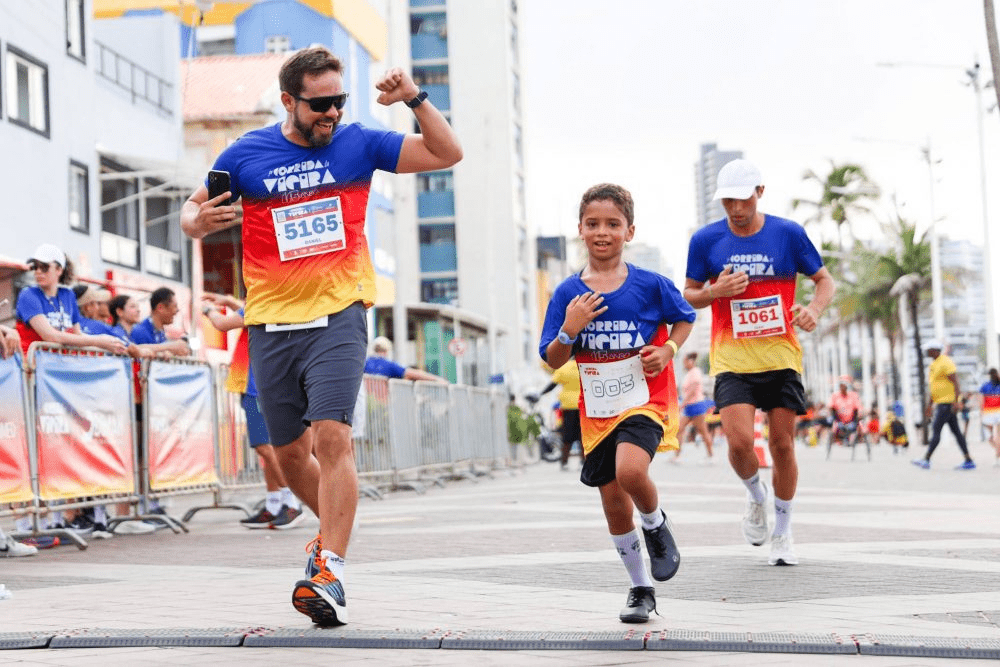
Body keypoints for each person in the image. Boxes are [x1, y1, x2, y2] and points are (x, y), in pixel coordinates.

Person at [180, 46, 461, 627]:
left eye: (339, 99)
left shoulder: (359, 142)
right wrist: (195, 222)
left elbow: (446, 151)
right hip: (270, 324)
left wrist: (413, 97)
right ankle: (328, 538)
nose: (331, 111)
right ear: (289, 101)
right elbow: (193, 204)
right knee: (289, 454)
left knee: (332, 437)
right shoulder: (246, 155)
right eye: (319, 103)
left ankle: (329, 565)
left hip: (339, 314)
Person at [539, 183, 695, 624]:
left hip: (645, 398)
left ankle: (655, 524)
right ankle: (640, 588)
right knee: (611, 501)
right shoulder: (568, 293)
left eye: (612, 224)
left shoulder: (650, 285)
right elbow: (553, 358)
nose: (602, 232)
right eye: (593, 224)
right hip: (598, 410)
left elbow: (684, 318)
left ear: (629, 231)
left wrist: (668, 351)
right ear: (580, 231)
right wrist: (570, 328)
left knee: (631, 472)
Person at [683, 159, 835, 567]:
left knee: (782, 445)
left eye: (743, 198)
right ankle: (755, 496)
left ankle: (783, 533)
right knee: (738, 443)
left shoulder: (787, 234)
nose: (735, 208)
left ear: (760, 193)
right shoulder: (705, 240)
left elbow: (824, 280)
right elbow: (688, 295)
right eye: (728, 200)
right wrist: (716, 291)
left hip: (781, 356)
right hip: (731, 358)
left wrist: (814, 311)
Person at [202, 294, 305, 529]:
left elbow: (221, 324)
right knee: (268, 450)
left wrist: (207, 310)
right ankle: (273, 505)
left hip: (257, 387)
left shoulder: (261, 303)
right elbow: (245, 311)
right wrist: (228, 301)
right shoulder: (269, 303)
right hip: (259, 384)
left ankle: (291, 503)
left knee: (265, 448)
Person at [15, 244, 127, 358]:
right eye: (35, 267)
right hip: (34, 368)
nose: (38, 271)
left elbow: (77, 333)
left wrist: (108, 342)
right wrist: (99, 341)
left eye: (44, 267)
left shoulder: (68, 295)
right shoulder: (28, 294)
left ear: (59, 270)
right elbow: (49, 335)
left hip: (62, 365)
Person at [912, 340, 975, 470]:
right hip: (941, 403)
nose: (926, 352)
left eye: (928, 350)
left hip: (947, 404)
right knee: (956, 433)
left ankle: (926, 459)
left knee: (936, 430)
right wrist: (929, 405)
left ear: (935, 350)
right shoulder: (934, 365)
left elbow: (956, 382)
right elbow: (934, 388)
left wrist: (957, 401)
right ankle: (968, 460)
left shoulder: (945, 362)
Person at [534, 358, 583, 470]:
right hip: (583, 405)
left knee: (567, 436)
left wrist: (540, 394)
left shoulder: (564, 368)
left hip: (568, 406)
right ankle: (584, 461)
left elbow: (552, 385)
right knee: (583, 435)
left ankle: (564, 462)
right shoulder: (583, 365)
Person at [674, 352, 715, 464]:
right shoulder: (688, 373)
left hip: (696, 406)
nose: (684, 364)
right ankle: (677, 456)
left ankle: (711, 456)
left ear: (690, 361)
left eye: (685, 362)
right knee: (679, 429)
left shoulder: (696, 372)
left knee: (703, 431)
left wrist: (682, 405)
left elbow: (692, 391)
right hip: (688, 407)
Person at [129, 287, 191, 358]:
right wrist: (171, 347)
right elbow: (133, 350)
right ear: (160, 308)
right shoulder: (139, 331)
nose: (177, 310)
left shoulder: (160, 333)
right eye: (174, 306)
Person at [364, 336, 447, 382]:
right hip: (383, 403)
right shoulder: (389, 365)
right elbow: (412, 373)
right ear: (387, 351)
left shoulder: (365, 363)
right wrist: (437, 379)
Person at [829, 376, 862, 447]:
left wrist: (860, 413)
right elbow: (830, 407)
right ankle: (838, 439)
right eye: (841, 385)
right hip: (839, 420)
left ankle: (854, 439)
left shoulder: (853, 395)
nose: (843, 387)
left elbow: (859, 407)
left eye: (845, 385)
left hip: (852, 420)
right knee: (832, 423)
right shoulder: (835, 396)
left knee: (860, 424)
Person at [979, 368, 1000, 466]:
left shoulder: (985, 386)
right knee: (996, 437)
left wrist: (981, 413)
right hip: (996, 412)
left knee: (991, 438)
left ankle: (997, 456)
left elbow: (981, 402)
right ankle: (998, 454)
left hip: (988, 413)